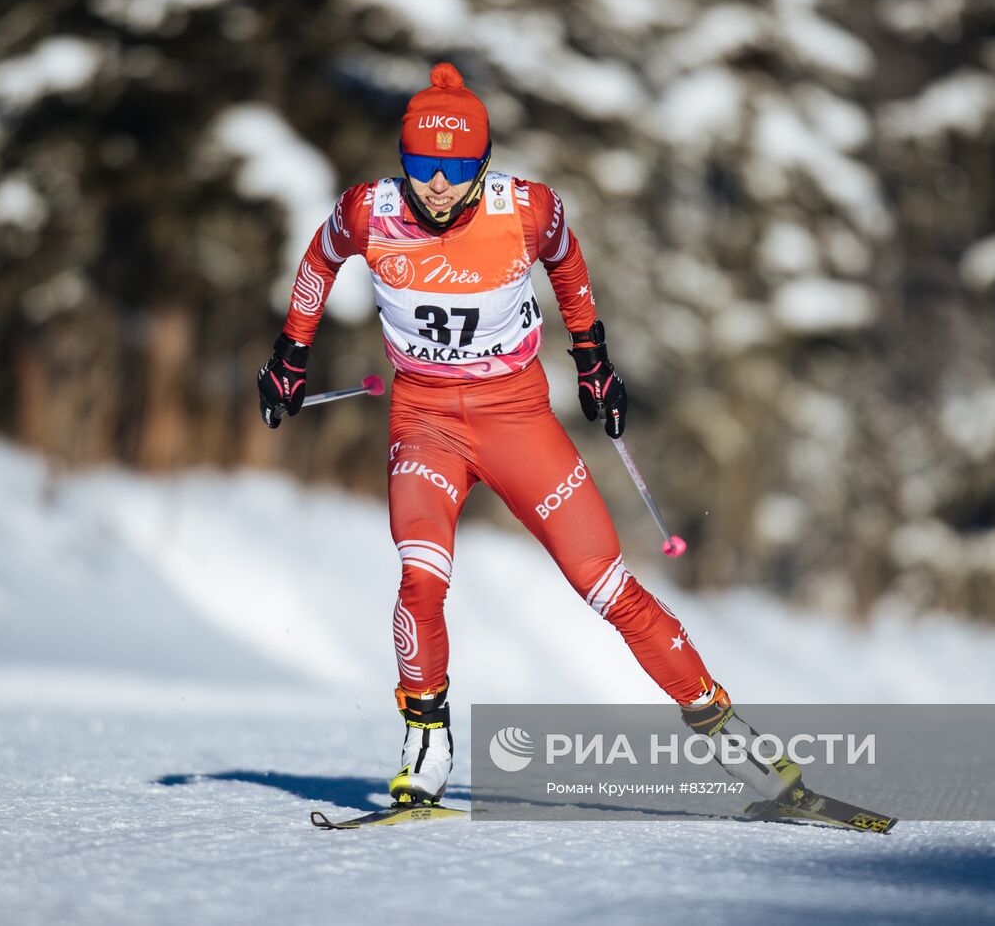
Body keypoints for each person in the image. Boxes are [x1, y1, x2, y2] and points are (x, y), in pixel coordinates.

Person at [259, 63, 799, 807]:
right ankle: (427, 740)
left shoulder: (526, 209)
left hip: (517, 419)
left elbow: (567, 262)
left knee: (608, 588)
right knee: (420, 577)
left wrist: (593, 359)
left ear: (482, 163)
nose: (437, 186)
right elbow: (320, 259)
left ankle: (728, 732)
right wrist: (290, 352)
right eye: (422, 166)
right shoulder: (369, 211)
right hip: (424, 421)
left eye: (454, 169)